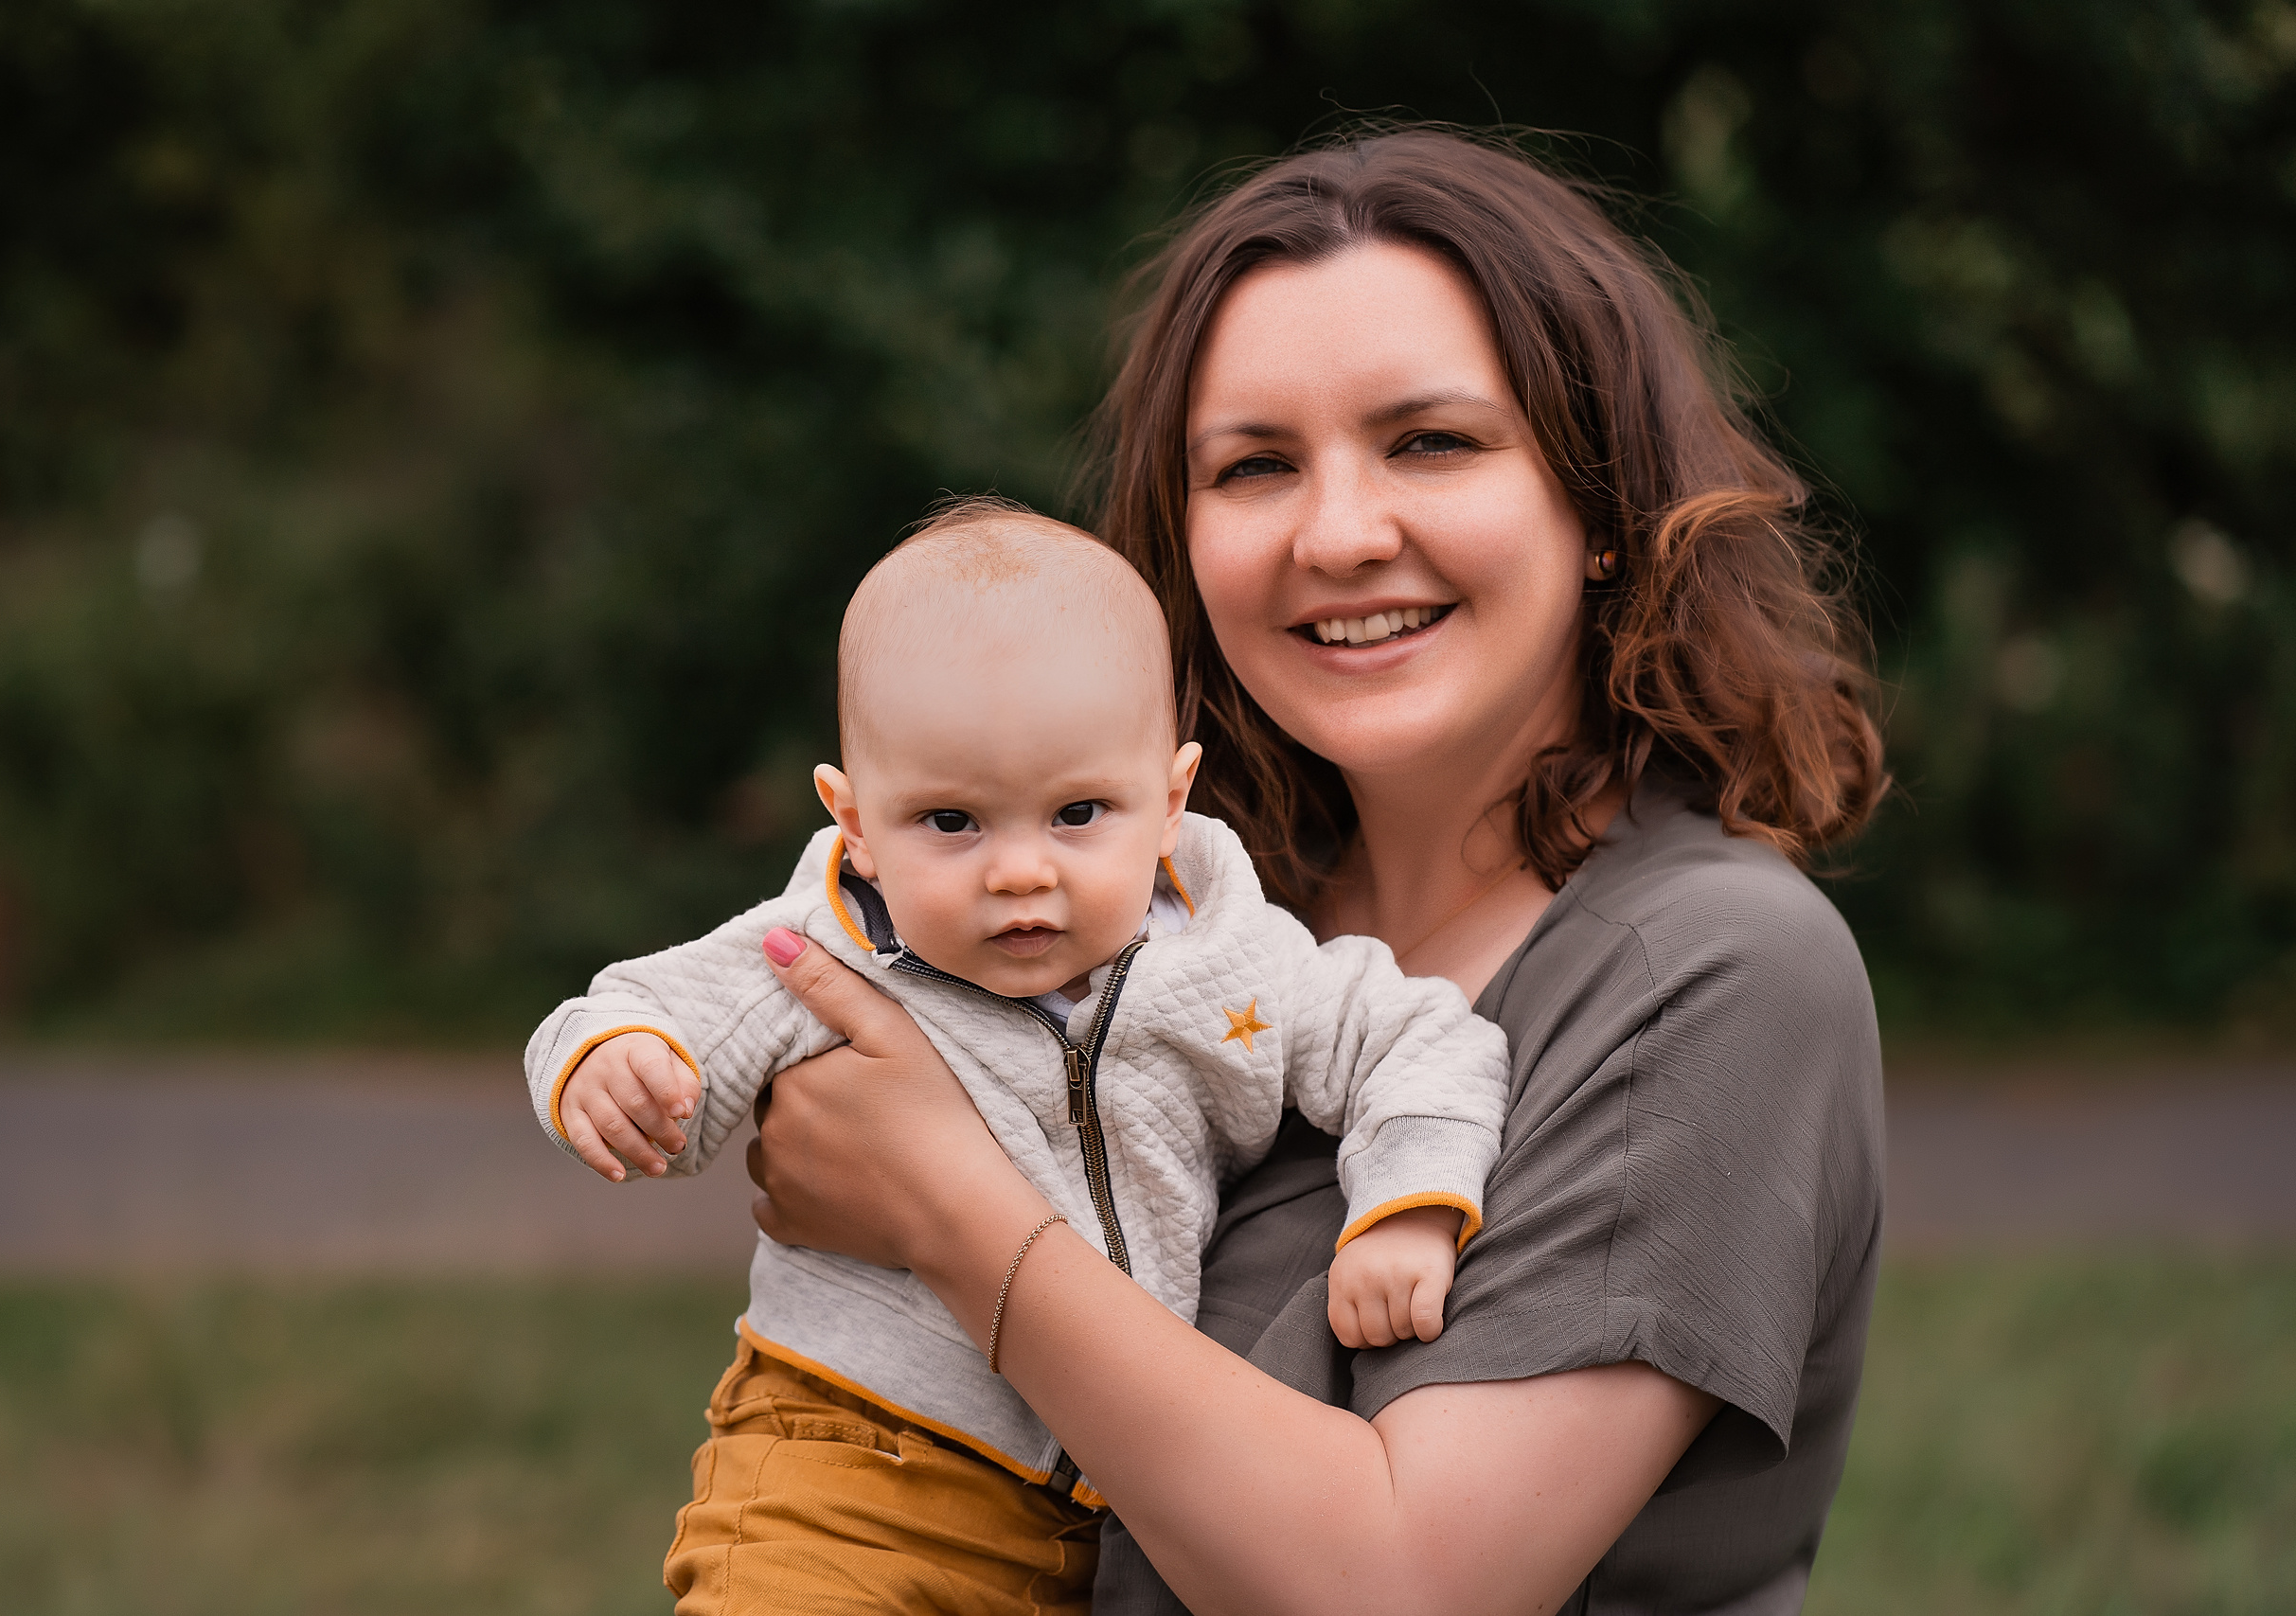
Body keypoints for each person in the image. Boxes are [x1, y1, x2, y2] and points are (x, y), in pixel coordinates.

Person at [739, 128, 1890, 1615]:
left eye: (1433, 441)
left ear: (1599, 507)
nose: (1340, 533)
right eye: (1255, 465)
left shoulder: (1712, 971)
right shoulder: (1185, 916)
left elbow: (1403, 1585)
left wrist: (944, 1207)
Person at [525, 500, 1512, 1613]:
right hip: (851, 1459)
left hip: (1098, 1508)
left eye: (1078, 812)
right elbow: (637, 1006)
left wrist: (1410, 1202)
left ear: (1170, 795)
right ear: (853, 822)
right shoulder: (829, 947)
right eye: (951, 822)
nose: (1019, 873)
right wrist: (616, 1062)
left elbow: (1418, 1035)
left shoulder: (1236, 961)